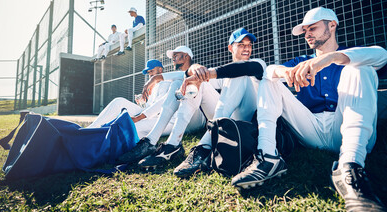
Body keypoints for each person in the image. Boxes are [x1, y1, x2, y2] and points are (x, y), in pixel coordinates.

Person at [230, 7, 387, 212]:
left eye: (313, 28)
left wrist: (331, 59)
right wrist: (285, 72)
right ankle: (268, 157)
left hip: (347, 128)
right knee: (271, 77)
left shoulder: (351, 54)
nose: (307, 34)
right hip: (312, 129)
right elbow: (268, 72)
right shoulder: (301, 61)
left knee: (360, 69)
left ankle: (350, 167)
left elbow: (382, 55)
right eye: (305, 31)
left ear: (332, 26)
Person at [171, 28, 267, 177]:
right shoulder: (225, 74)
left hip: (250, 121)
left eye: (249, 44)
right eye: (241, 44)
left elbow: (245, 68)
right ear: (230, 48)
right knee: (201, 82)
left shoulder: (257, 63)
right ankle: (175, 144)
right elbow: (195, 75)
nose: (247, 48)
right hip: (226, 121)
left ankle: (203, 147)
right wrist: (195, 69)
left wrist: (208, 73)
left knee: (240, 70)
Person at [118, 46, 207, 166]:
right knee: (176, 82)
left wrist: (156, 78)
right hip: (176, 120)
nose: (173, 59)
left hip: (196, 118)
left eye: (176, 56)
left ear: (186, 56)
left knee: (184, 81)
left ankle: (167, 143)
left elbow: (187, 75)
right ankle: (150, 141)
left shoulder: (198, 71)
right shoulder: (172, 80)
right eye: (172, 57)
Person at [88, 59, 193, 139]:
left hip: (161, 118)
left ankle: (99, 135)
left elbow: (161, 107)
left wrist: (139, 116)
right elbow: (149, 107)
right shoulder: (153, 85)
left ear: (160, 69)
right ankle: (92, 129)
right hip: (148, 114)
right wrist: (142, 103)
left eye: (151, 71)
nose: (150, 74)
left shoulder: (167, 83)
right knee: (119, 101)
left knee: (132, 127)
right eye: (148, 72)